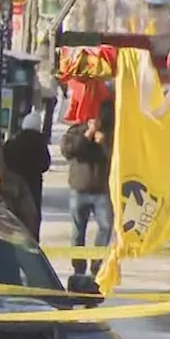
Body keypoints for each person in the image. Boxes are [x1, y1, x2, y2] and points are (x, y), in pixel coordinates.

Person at [60, 105, 114, 277]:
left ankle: (97, 264)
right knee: (78, 230)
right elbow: (68, 151)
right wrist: (87, 136)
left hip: (102, 189)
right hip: (79, 188)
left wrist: (104, 142)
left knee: (105, 227)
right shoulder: (76, 130)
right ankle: (78, 267)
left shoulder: (110, 132)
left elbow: (117, 156)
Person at [2, 112, 52, 240]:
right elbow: (45, 164)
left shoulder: (14, 141)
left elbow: (6, 159)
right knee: (33, 212)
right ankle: (33, 239)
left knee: (16, 211)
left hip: (15, 182)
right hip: (34, 182)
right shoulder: (40, 143)